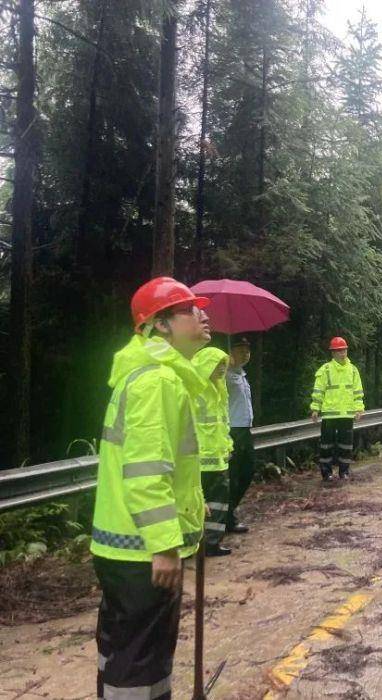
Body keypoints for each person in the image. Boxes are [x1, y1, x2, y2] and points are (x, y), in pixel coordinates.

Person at [90, 276, 211, 699]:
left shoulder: (146, 375)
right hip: (142, 551)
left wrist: (193, 506)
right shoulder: (158, 381)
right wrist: (164, 544)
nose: (203, 314)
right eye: (191, 309)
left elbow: (162, 467)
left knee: (121, 653)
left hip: (121, 546)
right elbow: (145, 472)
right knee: (142, 664)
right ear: (160, 324)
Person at [193, 347, 234, 557]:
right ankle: (193, 544)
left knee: (218, 504)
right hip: (198, 460)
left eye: (223, 365)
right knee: (195, 504)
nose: (221, 369)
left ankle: (212, 543)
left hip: (218, 457)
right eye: (217, 364)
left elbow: (223, 422)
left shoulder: (220, 388)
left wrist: (228, 446)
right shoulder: (192, 389)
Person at [310, 336, 365, 481]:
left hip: (347, 415)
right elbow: (318, 391)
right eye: (339, 351)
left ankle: (344, 472)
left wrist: (359, 409)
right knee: (326, 446)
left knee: (346, 446)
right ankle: (326, 473)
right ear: (333, 353)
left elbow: (358, 392)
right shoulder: (326, 370)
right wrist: (315, 409)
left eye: (344, 350)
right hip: (329, 415)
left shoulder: (353, 370)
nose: (342, 353)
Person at [225, 336, 254, 534]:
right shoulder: (222, 374)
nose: (245, 354)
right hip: (231, 429)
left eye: (247, 350)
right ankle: (227, 517)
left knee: (247, 472)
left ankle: (228, 512)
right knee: (234, 475)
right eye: (241, 350)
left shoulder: (241, 375)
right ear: (231, 353)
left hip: (244, 428)